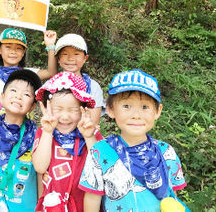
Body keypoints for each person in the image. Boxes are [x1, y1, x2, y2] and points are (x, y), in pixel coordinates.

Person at [79, 69, 187, 212]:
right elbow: (92, 199)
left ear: (157, 111)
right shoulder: (100, 152)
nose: (136, 115)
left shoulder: (166, 152)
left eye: (145, 107)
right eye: (126, 106)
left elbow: (173, 200)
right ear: (110, 109)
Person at [32, 71, 102, 212]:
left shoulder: (90, 132)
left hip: (84, 205)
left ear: (84, 109)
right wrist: (47, 132)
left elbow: (101, 164)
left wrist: (88, 137)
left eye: (73, 110)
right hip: (52, 205)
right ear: (46, 108)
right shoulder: (44, 132)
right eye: (58, 109)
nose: (65, 116)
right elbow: (40, 167)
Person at [0, 69, 42, 211]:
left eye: (26, 94)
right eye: (13, 90)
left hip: (27, 206)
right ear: (2, 97)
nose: (18, 96)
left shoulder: (36, 135)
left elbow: (40, 173)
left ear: (32, 106)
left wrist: (41, 204)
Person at [0, 28, 57, 114]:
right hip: (0, 129)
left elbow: (51, 72)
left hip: (24, 129)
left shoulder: (28, 74)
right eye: (8, 47)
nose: (13, 51)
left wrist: (50, 46)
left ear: (23, 53)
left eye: (18, 48)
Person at [54, 33, 104, 126]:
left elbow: (93, 124)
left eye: (76, 54)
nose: (70, 58)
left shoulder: (93, 87)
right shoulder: (52, 85)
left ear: (85, 58)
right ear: (58, 58)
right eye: (65, 54)